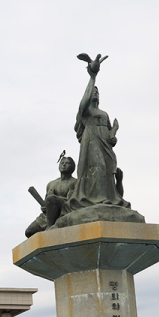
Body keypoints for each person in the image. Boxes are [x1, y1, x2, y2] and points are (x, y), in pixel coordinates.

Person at [65, 54, 131, 211]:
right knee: (98, 166)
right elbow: (83, 102)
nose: (95, 93)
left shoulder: (104, 113)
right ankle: (98, 199)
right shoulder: (85, 111)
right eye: (93, 91)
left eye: (97, 92)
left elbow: (109, 134)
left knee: (108, 169)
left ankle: (108, 197)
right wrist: (92, 78)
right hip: (91, 140)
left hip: (104, 145)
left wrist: (113, 137)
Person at [25, 155, 78, 238]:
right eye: (62, 163)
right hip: (48, 215)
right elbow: (47, 202)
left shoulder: (75, 182)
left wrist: (53, 200)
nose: (64, 165)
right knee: (29, 232)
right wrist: (44, 207)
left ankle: (50, 228)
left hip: (64, 211)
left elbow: (71, 201)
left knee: (51, 198)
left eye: (67, 163)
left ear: (72, 167)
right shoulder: (51, 184)